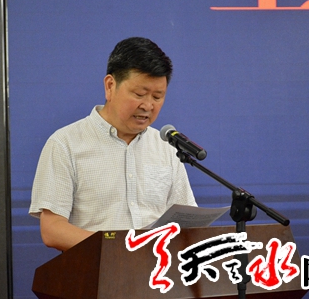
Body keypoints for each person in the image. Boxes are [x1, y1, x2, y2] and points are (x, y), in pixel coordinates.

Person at [29, 37, 196, 252]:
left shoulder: (166, 147)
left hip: (158, 269)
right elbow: (52, 230)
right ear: (110, 86)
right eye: (139, 94)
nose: (148, 105)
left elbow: (187, 222)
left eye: (157, 96)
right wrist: (118, 250)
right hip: (95, 268)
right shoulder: (65, 144)